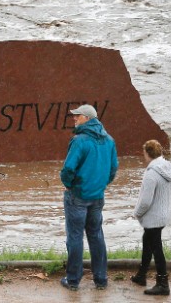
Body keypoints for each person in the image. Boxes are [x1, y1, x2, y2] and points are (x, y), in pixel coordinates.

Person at [59, 104, 118, 291]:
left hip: (77, 196)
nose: (74, 119)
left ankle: (73, 280)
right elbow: (113, 169)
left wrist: (68, 184)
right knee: (96, 236)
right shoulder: (109, 140)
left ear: (87, 118)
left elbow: (68, 169)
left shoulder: (79, 140)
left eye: (77, 116)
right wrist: (101, 185)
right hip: (97, 196)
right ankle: (101, 279)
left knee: (75, 237)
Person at [132, 139, 171, 296]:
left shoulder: (152, 173)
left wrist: (136, 213)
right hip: (163, 214)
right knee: (148, 241)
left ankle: (163, 283)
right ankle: (141, 275)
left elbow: (145, 201)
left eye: (144, 153)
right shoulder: (167, 167)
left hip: (153, 217)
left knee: (156, 249)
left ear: (148, 153)